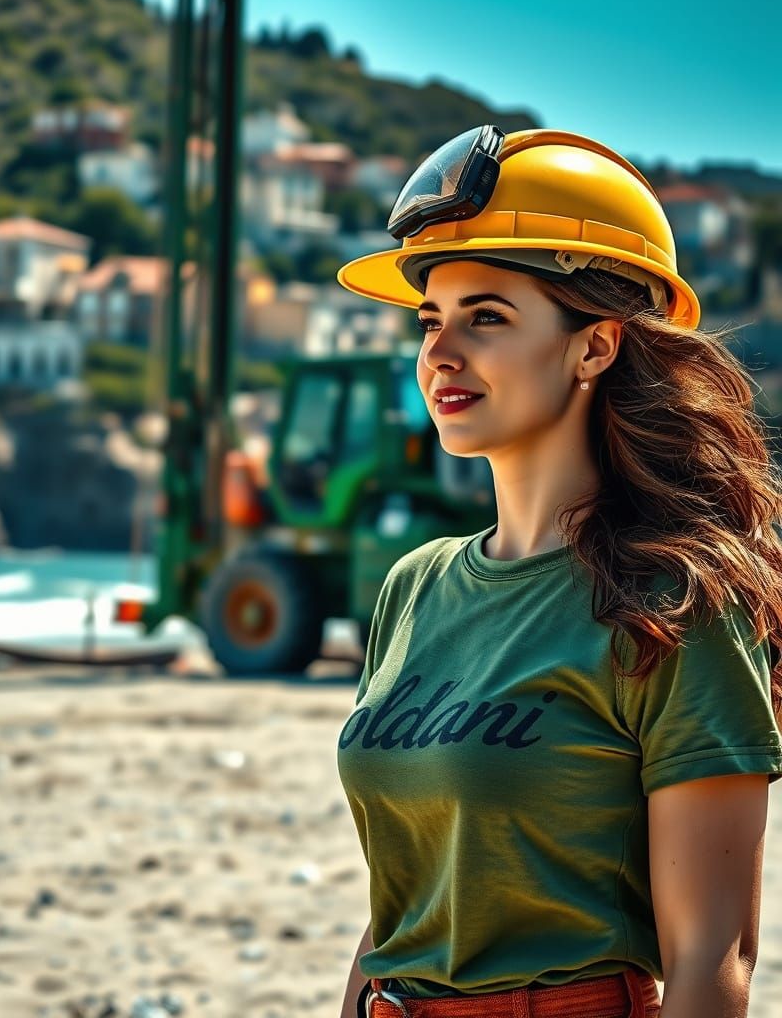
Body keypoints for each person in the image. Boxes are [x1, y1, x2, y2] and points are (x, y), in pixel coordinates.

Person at [333, 125, 782, 1018]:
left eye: (487, 318)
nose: (441, 354)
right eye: (431, 321)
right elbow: (398, 911)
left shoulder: (672, 602)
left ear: (596, 347)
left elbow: (713, 956)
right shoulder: (414, 588)